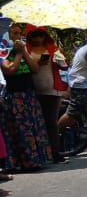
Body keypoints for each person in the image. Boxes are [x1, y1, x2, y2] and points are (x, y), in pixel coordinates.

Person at [0, 29, 52, 171]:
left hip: (29, 95)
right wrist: (17, 54)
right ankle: (22, 162)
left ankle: (35, 160)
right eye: (14, 33)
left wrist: (23, 52)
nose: (18, 37)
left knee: (33, 128)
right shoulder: (3, 52)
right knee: (21, 131)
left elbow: (34, 68)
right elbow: (10, 70)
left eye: (19, 33)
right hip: (15, 97)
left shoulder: (23, 50)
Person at [20, 27, 66, 164]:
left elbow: (64, 67)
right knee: (35, 123)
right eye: (34, 36)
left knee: (51, 122)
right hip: (32, 91)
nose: (38, 39)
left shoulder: (53, 48)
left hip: (52, 89)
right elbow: (22, 70)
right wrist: (37, 64)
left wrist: (60, 58)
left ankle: (55, 151)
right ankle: (40, 152)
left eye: (40, 35)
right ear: (29, 37)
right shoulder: (25, 50)